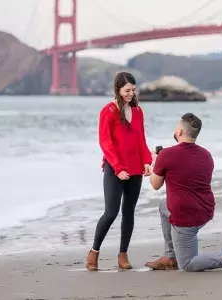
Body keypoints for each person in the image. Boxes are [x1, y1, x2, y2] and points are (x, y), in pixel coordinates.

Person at [145, 113, 222, 272]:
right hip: (205, 209)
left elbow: (155, 184)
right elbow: (185, 174)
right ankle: (170, 256)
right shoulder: (206, 154)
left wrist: (155, 163)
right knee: (163, 206)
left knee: (187, 264)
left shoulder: (166, 155)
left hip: (185, 217)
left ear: (179, 132)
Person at [86, 72, 153, 271]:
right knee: (111, 212)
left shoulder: (138, 111)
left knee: (129, 212)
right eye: (127, 90)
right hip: (115, 168)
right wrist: (118, 168)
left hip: (135, 169)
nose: (130, 94)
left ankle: (123, 254)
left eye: (133, 90)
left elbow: (141, 139)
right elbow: (105, 143)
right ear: (118, 89)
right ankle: (94, 252)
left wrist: (147, 161)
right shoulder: (108, 111)